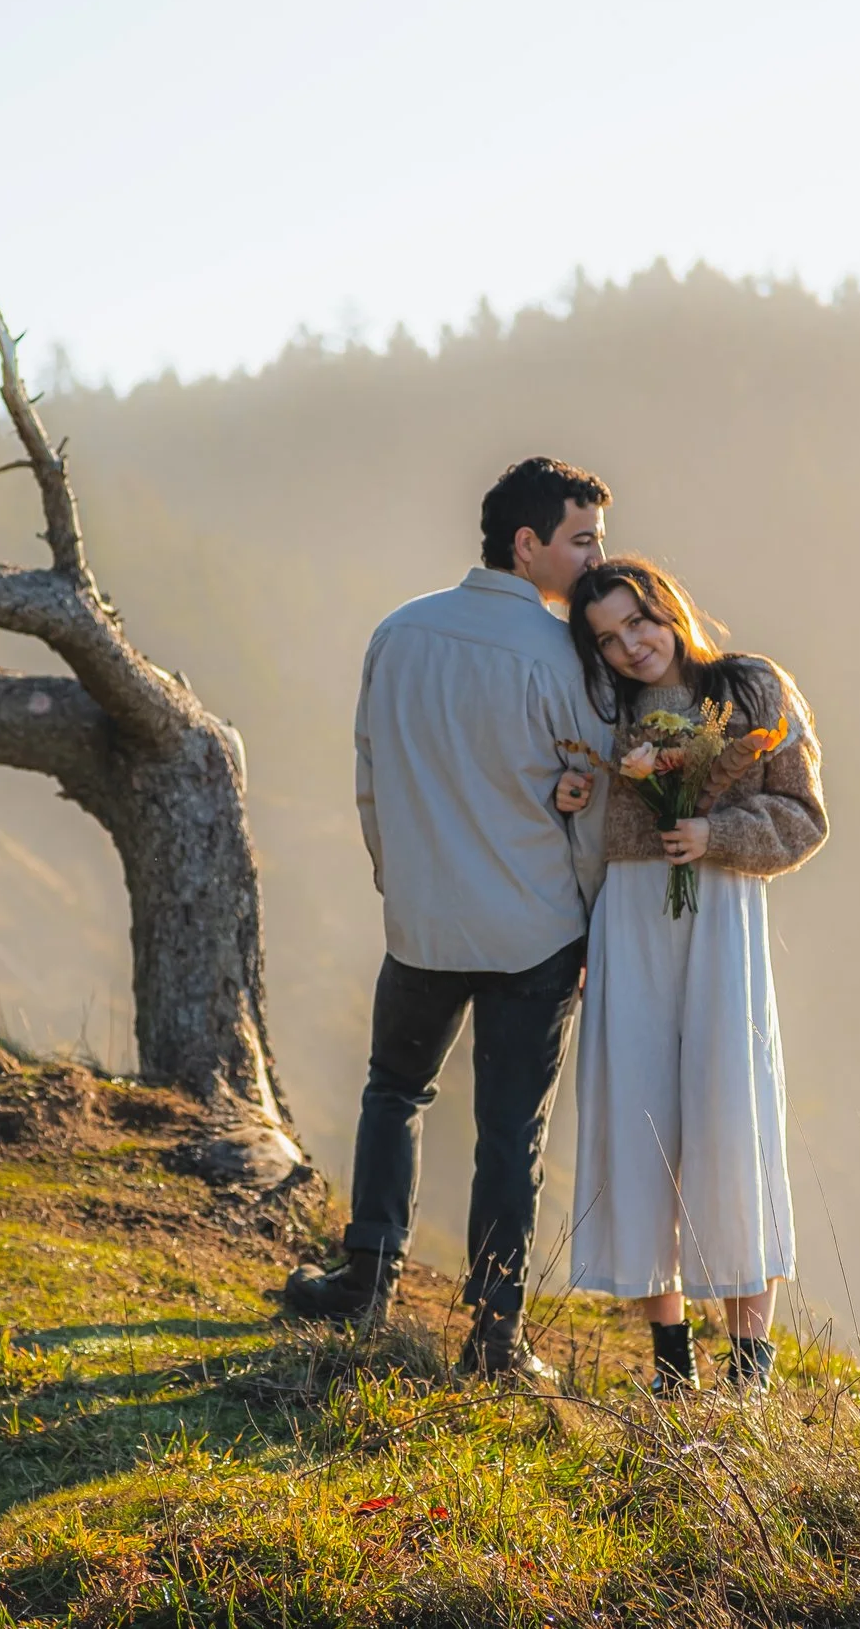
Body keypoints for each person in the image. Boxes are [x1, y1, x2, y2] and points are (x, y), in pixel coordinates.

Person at [281, 456, 613, 1385]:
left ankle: (364, 1282)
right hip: (533, 932)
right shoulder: (561, 657)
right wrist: (589, 923)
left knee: (395, 1091)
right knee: (512, 1135)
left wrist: (400, 882)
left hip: (421, 922)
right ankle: (494, 1339)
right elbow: (586, 807)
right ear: (527, 543)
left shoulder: (399, 631)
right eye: (582, 538)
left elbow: (369, 774)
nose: (596, 557)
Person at [555, 558, 827, 1394]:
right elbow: (593, 821)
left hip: (722, 919)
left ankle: (750, 1373)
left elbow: (806, 815)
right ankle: (672, 1364)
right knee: (641, 1126)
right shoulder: (605, 711)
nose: (630, 645)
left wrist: (717, 833)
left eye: (638, 621)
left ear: (667, 608)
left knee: (731, 1117)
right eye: (606, 638)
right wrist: (573, 798)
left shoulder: (751, 690)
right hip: (630, 917)